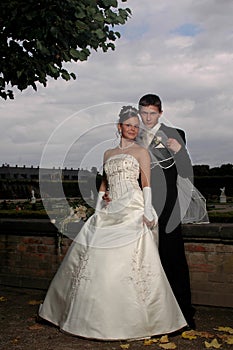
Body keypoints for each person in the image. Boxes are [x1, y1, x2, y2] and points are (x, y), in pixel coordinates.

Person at [38, 106, 187, 340]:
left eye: (136, 126)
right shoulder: (107, 153)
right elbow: (104, 184)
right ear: (119, 127)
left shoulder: (141, 151)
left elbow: (146, 182)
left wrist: (147, 211)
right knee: (94, 258)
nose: (132, 129)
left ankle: (135, 320)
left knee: (126, 261)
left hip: (133, 206)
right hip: (110, 207)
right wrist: (98, 210)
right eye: (129, 125)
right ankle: (89, 317)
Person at [137, 93, 196, 330]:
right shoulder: (135, 136)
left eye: (152, 113)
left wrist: (179, 151)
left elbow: (184, 171)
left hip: (168, 206)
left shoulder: (175, 134)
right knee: (145, 258)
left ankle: (183, 314)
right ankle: (149, 314)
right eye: (144, 113)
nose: (148, 118)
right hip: (142, 203)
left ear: (161, 113)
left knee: (173, 258)